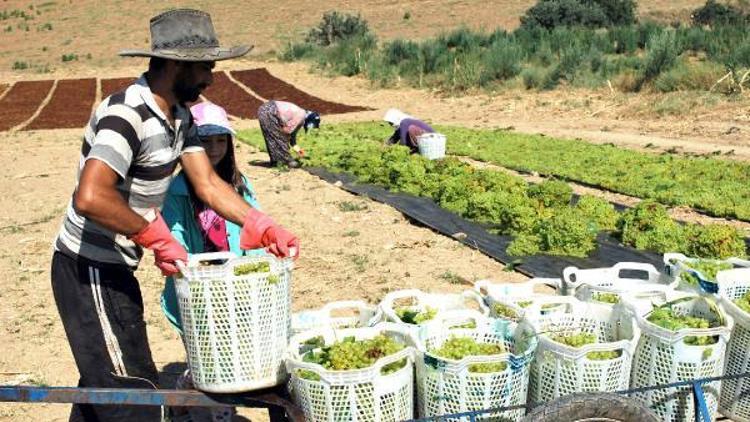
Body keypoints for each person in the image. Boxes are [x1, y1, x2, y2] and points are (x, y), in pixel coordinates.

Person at [50, 9, 298, 422]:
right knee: (130, 397)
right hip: (87, 268)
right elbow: (90, 196)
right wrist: (155, 236)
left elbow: (207, 183)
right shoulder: (125, 114)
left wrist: (258, 222)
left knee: (105, 384)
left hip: (116, 267)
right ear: (176, 65)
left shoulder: (180, 118)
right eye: (204, 67)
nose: (210, 78)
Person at [160, 102, 264, 421]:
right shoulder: (178, 190)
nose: (215, 148)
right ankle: (206, 408)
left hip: (233, 288)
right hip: (195, 291)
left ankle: (186, 397)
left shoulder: (238, 185)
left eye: (221, 140)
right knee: (207, 355)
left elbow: (253, 230)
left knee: (226, 357)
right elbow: (174, 236)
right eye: (205, 141)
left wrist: (254, 269)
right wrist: (195, 270)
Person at [257, 100, 321, 168]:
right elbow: (286, 131)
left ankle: (276, 161)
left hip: (265, 110)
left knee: (272, 138)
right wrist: (285, 145)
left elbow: (292, 136)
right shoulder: (300, 116)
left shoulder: (301, 117)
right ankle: (287, 161)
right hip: (269, 110)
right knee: (278, 137)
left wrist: (298, 150)